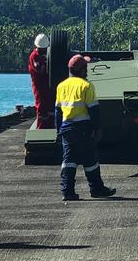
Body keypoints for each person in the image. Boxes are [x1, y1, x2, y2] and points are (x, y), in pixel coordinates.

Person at [55, 54, 116, 201]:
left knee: (68, 160)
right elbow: (93, 110)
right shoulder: (86, 86)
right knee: (90, 160)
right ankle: (96, 188)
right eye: (86, 67)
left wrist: (58, 131)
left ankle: (67, 191)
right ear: (82, 70)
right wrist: (98, 128)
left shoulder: (61, 86)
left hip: (67, 128)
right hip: (83, 128)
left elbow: (58, 111)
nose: (87, 70)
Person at [28, 33, 55, 129]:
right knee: (41, 106)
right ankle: (41, 128)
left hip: (47, 84)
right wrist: (45, 63)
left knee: (50, 104)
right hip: (39, 85)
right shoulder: (34, 56)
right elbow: (39, 70)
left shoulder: (47, 55)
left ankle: (50, 125)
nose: (43, 50)